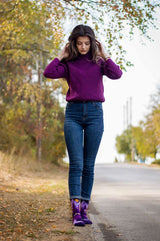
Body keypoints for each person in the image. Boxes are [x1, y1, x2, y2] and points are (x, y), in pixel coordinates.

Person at [43, 24, 122, 226]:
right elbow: (48, 72)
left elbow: (117, 74)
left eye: (87, 43)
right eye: (79, 43)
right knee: (76, 164)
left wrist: (105, 54)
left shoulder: (99, 62)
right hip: (74, 114)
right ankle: (76, 210)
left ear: (93, 43)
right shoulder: (69, 64)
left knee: (88, 166)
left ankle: (85, 208)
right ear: (74, 44)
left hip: (96, 114)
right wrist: (61, 55)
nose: (84, 47)